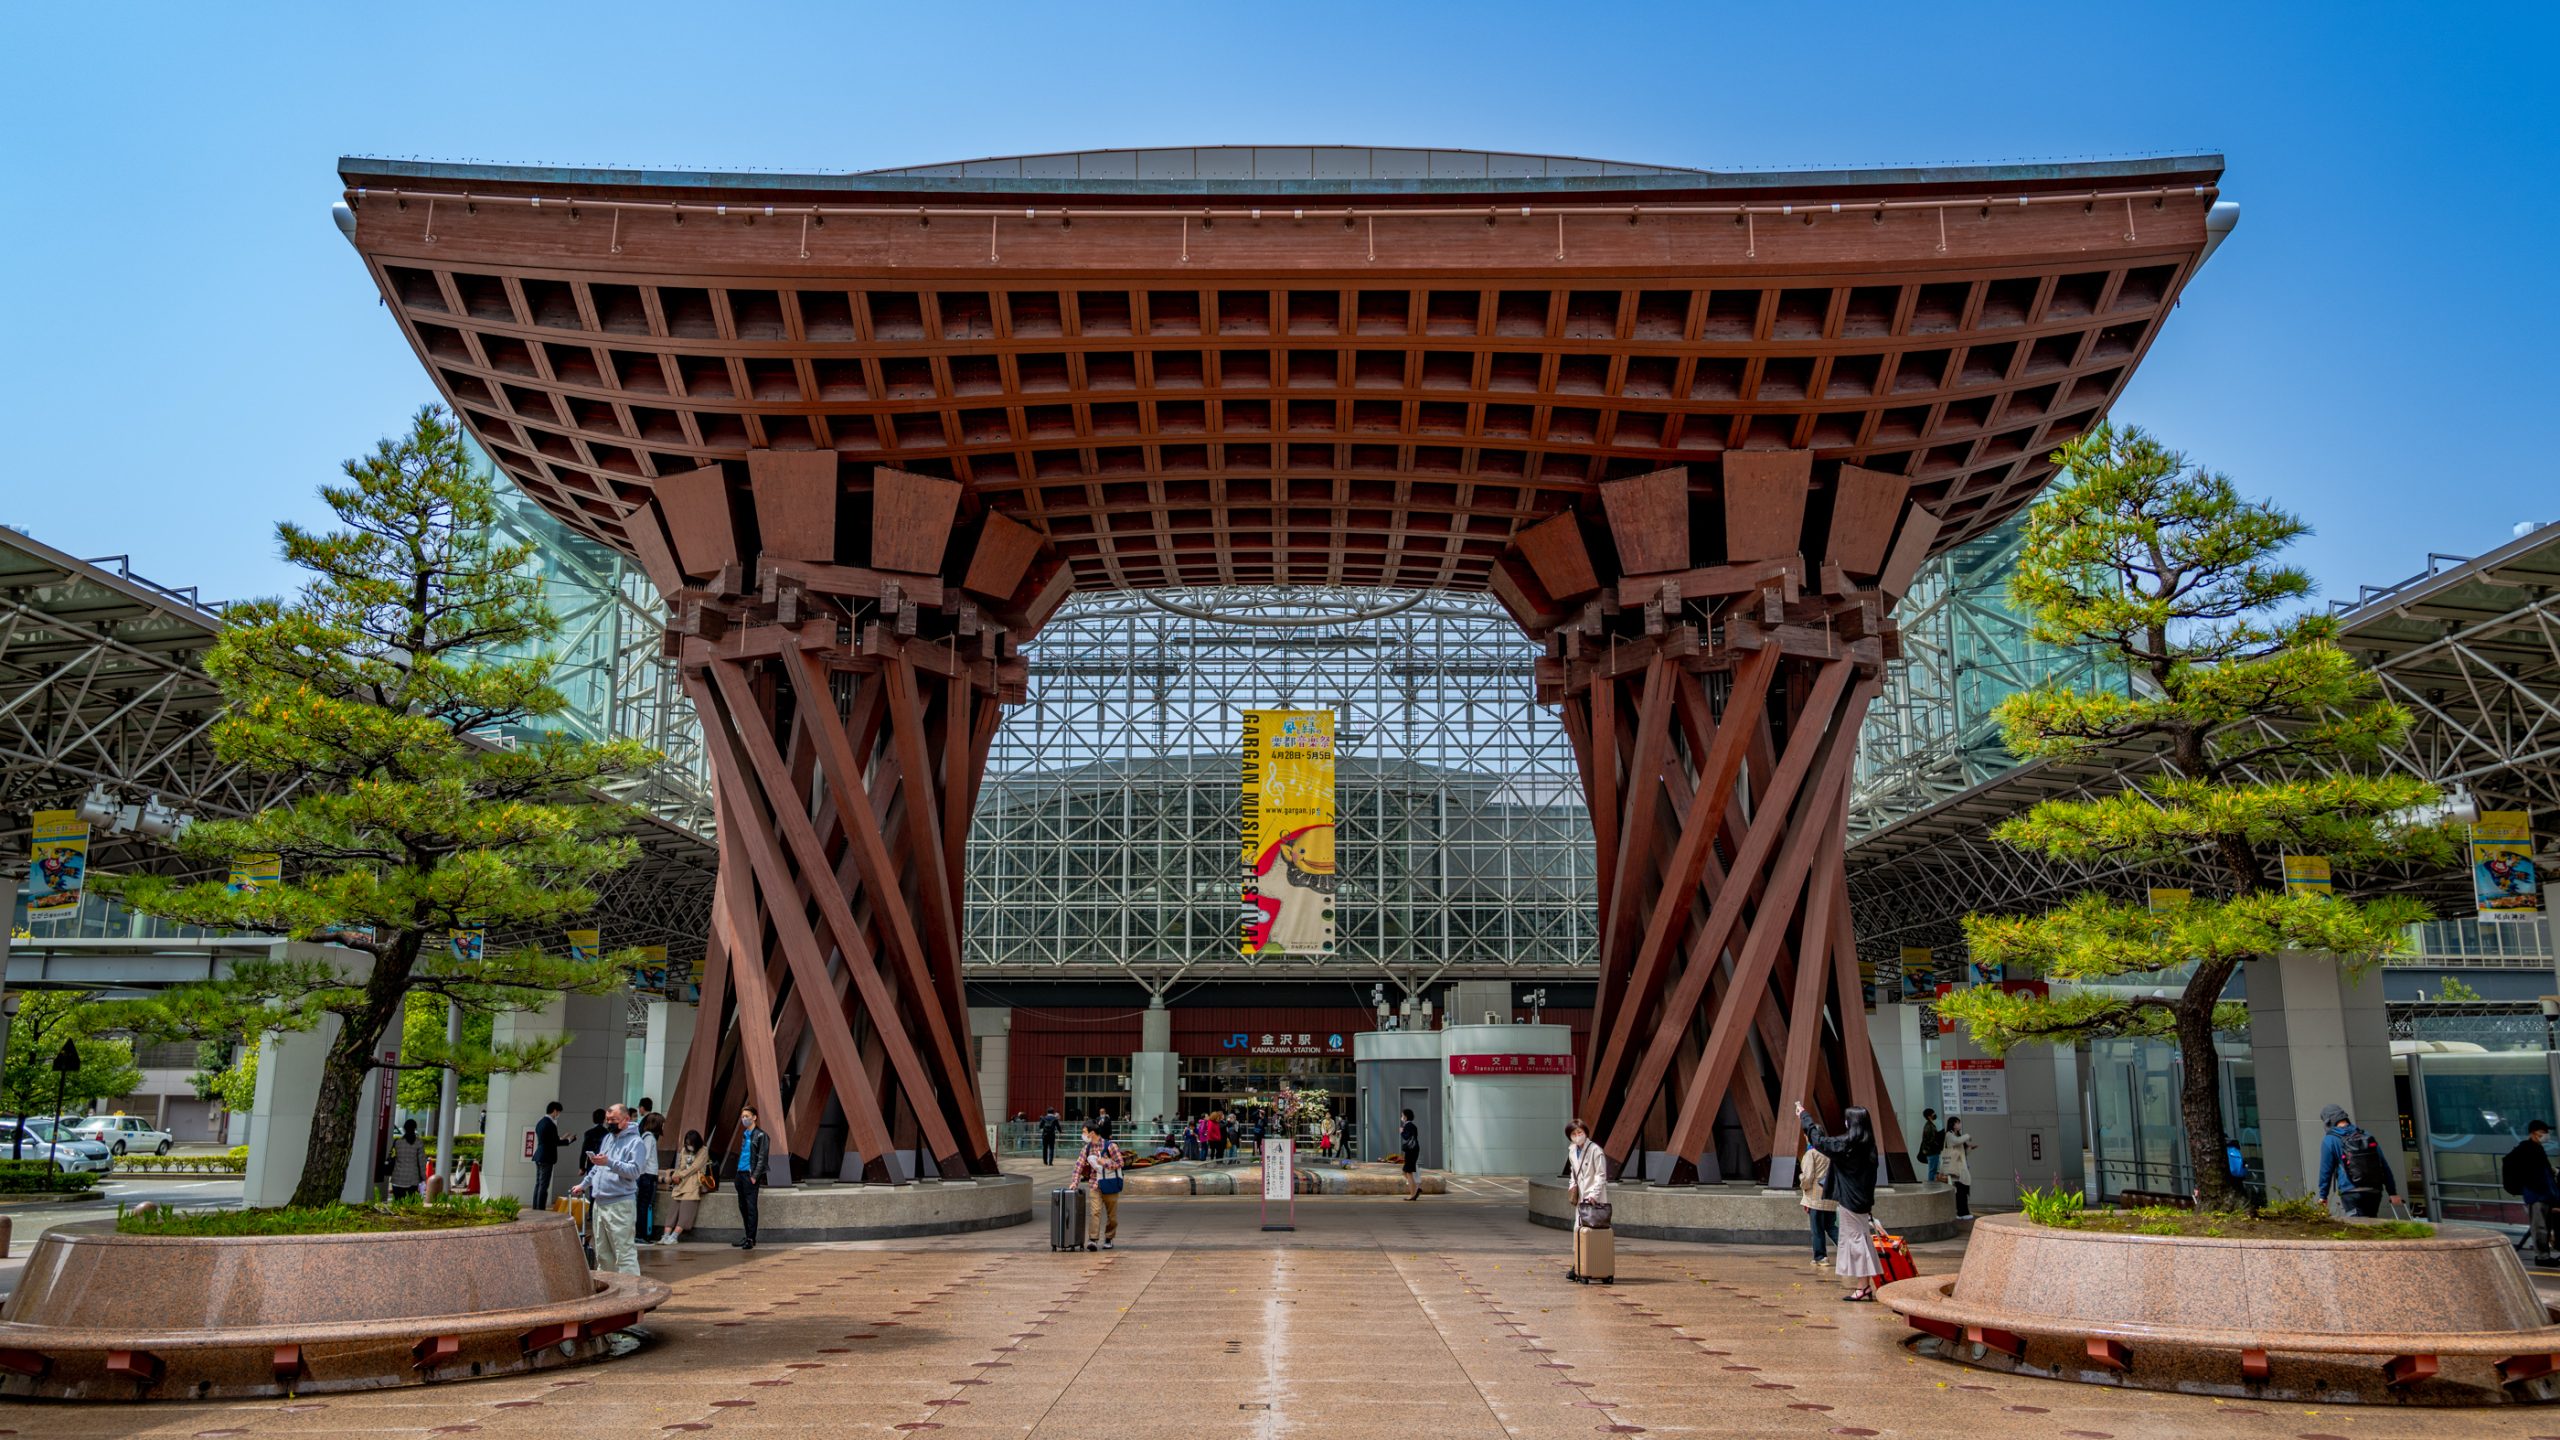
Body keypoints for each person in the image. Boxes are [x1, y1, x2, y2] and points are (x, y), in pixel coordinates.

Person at [1797, 1101, 1882, 1301]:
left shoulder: (1847, 1146)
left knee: (1857, 1242)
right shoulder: (1868, 1146)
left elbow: (1818, 1141)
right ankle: (1865, 1285)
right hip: (1862, 1201)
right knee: (1861, 1239)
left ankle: (1863, 1287)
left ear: (1851, 1123)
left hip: (1850, 1202)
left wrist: (1803, 1116)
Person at [568, 1102, 650, 1277]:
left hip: (620, 1203)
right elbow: (598, 1167)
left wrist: (610, 1163)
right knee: (603, 1254)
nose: (610, 1123)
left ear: (626, 1119)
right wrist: (584, 1184)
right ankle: (609, 1291)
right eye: (608, 1119)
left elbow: (635, 1171)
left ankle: (630, 1294)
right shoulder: (608, 1138)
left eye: (614, 1119)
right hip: (600, 1203)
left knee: (624, 1253)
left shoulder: (636, 1143)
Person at [2316, 1104, 2401, 1218]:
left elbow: (2326, 1171)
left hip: (2350, 1191)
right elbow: (2383, 1165)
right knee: (2371, 1225)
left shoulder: (2330, 1140)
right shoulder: (2366, 1135)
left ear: (2328, 1121)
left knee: (2358, 1228)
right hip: (2374, 1191)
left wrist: (2323, 1196)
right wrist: (2392, 1192)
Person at [2504, 1120, 2558, 1265]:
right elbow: (2514, 1166)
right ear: (2535, 1133)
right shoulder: (2526, 1149)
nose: (2546, 1135)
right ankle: (2542, 1257)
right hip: (2536, 1194)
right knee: (2539, 1226)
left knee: (2544, 1226)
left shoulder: (2537, 1148)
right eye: (2544, 1132)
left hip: (2544, 1194)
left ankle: (2544, 1255)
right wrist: (2528, 1184)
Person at [1070, 1122, 1125, 1250]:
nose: (1083, 1135)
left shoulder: (1111, 1146)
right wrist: (1075, 1182)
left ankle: (1109, 1237)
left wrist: (1105, 1162)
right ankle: (1093, 1239)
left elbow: (1120, 1162)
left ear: (1092, 1133)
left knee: (1112, 1216)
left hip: (1110, 1184)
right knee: (1095, 1212)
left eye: (1084, 1132)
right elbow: (1079, 1166)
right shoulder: (1086, 1149)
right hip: (1095, 1184)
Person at [1565, 1117, 1608, 1277]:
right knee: (1578, 1230)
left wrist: (1594, 1194)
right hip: (1581, 1197)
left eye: (1580, 1132)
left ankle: (1591, 1264)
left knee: (1592, 1232)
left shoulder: (1595, 1150)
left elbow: (1601, 1174)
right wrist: (1572, 1187)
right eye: (1574, 1133)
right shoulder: (1572, 1150)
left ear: (1585, 1133)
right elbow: (1573, 1172)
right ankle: (1578, 1264)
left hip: (1592, 1198)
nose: (1577, 1136)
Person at [658, 1129, 712, 1245]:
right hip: (680, 1184)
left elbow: (695, 1167)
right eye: (687, 1143)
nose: (689, 1146)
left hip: (693, 1183)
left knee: (686, 1211)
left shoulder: (703, 1150)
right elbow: (680, 1165)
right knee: (673, 1210)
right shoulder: (684, 1150)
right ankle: (666, 1235)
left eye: (691, 1144)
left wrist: (679, 1175)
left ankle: (674, 1236)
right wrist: (676, 1176)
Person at [731, 1104, 770, 1249]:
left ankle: (751, 1238)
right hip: (740, 1174)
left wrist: (754, 1175)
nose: (744, 1119)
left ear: (754, 1117)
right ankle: (747, 1235)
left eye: (747, 1116)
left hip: (750, 1175)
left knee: (751, 1207)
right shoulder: (745, 1134)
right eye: (742, 1117)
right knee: (743, 1206)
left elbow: (762, 1158)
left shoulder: (761, 1135)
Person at [1798, 1138, 1836, 1268]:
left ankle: (1820, 1257)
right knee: (1830, 1226)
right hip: (1831, 1196)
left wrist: (1802, 1183)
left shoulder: (1812, 1153)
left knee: (1817, 1228)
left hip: (1815, 1197)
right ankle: (1850, 1251)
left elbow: (1807, 1176)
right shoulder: (1831, 1152)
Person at [634, 1099, 664, 1241]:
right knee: (644, 1204)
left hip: (646, 1174)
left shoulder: (647, 1137)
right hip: (647, 1175)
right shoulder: (649, 1138)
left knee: (644, 1204)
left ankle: (642, 1233)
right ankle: (642, 1234)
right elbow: (644, 1157)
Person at [1941, 1115, 1977, 1220]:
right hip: (1955, 1170)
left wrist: (1970, 1148)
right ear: (1953, 1124)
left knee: (1963, 1191)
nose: (1959, 1124)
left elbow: (1962, 1153)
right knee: (1960, 1191)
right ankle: (1961, 1213)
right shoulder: (1949, 1135)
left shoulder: (1957, 1136)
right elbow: (1957, 1141)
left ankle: (1962, 1212)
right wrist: (1967, 1136)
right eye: (1958, 1123)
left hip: (1960, 1169)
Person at [532, 1100, 565, 1210]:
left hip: (539, 1155)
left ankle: (535, 1208)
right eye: (558, 1112)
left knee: (538, 1184)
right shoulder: (550, 1124)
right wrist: (569, 1140)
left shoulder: (540, 1122)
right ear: (555, 1111)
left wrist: (560, 1139)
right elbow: (555, 1142)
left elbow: (548, 1140)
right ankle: (540, 1209)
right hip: (547, 1157)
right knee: (543, 1185)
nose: (558, 1115)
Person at [384, 1118, 427, 1200]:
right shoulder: (419, 1143)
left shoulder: (397, 1142)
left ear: (404, 1128)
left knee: (398, 1203)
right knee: (410, 1205)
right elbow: (421, 1162)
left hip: (397, 1178)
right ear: (415, 1128)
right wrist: (423, 1177)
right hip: (413, 1179)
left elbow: (392, 1156)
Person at [1399, 1108, 1422, 1200]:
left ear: (1405, 1116)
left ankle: (1413, 1195)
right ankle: (1416, 1189)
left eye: (1402, 1115)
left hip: (1411, 1151)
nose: (1401, 1117)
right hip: (1414, 1150)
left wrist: (1401, 1132)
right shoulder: (1413, 1126)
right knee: (1405, 1172)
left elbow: (1406, 1137)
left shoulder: (1408, 1126)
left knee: (1409, 1173)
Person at [1917, 1108, 1944, 1183]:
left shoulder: (1931, 1125)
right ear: (1929, 1116)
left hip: (1932, 1151)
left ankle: (1932, 1185)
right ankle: (1931, 1186)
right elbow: (1930, 1140)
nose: (1935, 1114)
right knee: (1932, 1171)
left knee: (1933, 1170)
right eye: (1933, 1113)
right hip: (1932, 1152)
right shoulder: (1929, 1127)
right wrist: (1938, 1144)